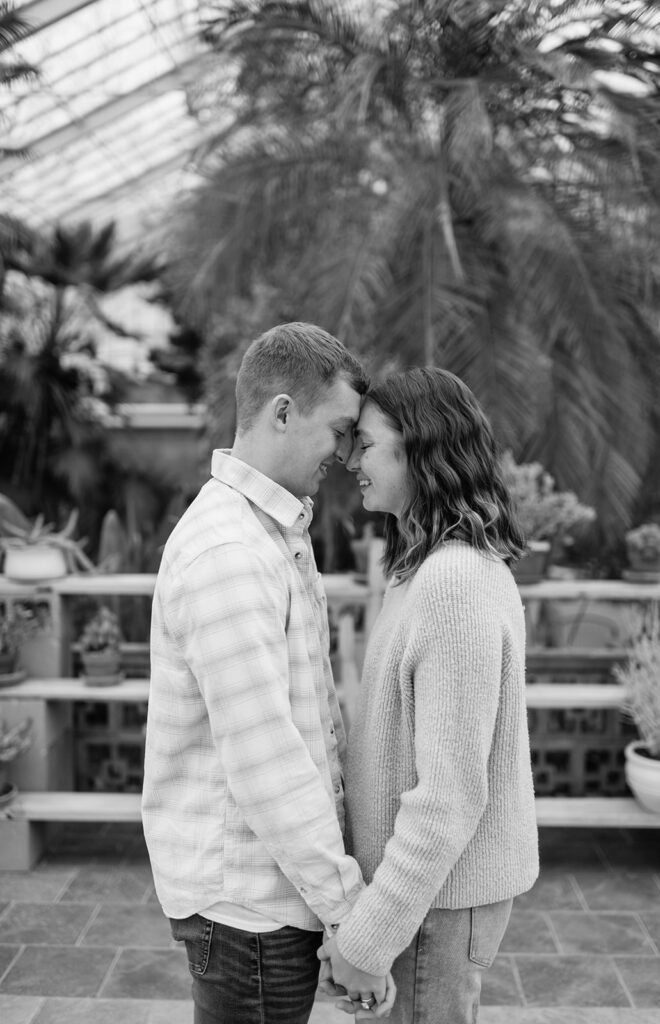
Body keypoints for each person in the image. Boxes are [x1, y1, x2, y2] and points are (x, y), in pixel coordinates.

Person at [141, 323, 393, 1024]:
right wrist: (350, 916)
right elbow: (267, 762)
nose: (345, 455)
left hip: (267, 902)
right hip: (249, 915)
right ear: (282, 412)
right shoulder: (229, 549)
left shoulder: (265, 530)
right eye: (339, 431)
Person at [320, 367, 539, 1024]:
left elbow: (448, 797)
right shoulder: (424, 571)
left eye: (366, 444)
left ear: (420, 448)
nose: (350, 461)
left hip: (434, 910)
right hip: (423, 903)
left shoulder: (454, 585)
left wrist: (367, 941)